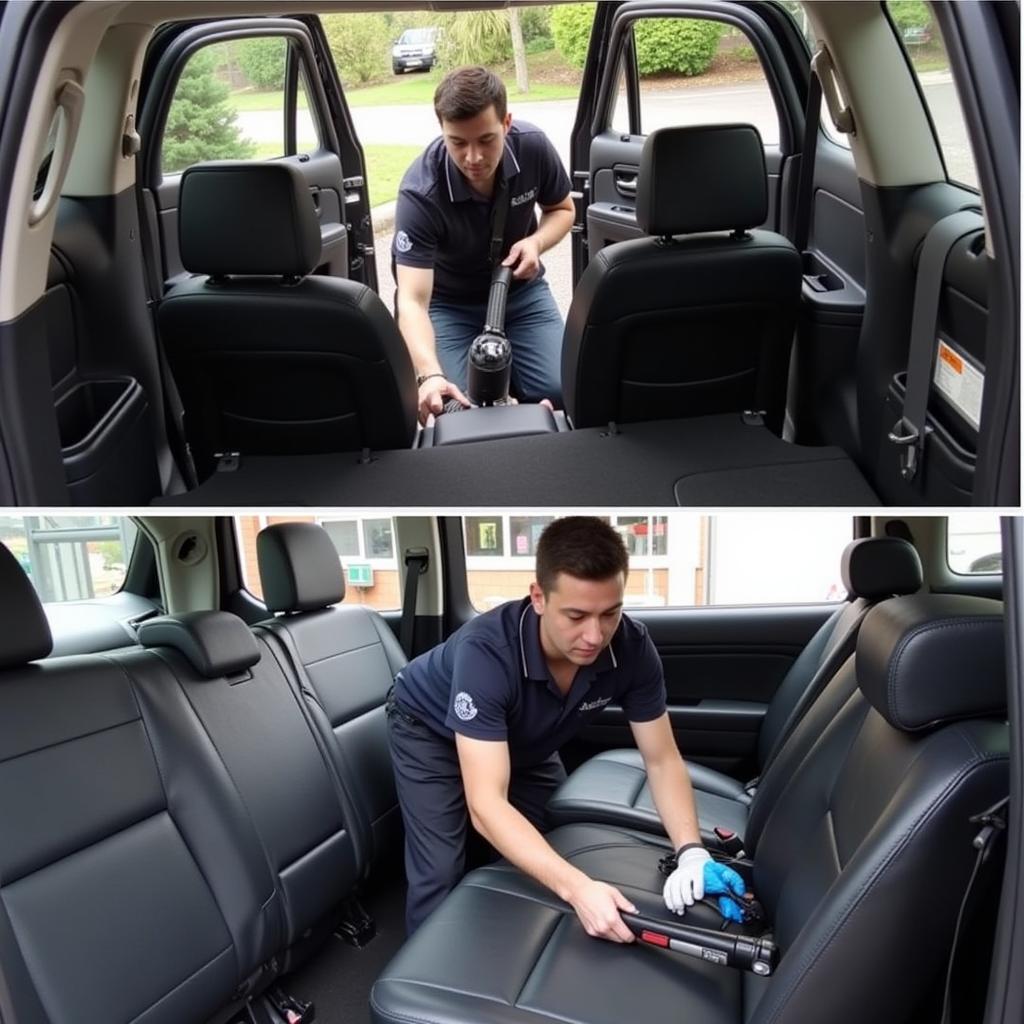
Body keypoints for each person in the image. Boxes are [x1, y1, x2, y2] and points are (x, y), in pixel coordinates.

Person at [386, 516, 746, 936]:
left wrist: (692, 853)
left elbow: (663, 760)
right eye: (576, 616)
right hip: (430, 731)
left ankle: (513, 932)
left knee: (560, 836)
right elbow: (487, 806)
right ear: (538, 597)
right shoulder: (487, 652)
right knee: (441, 868)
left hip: (518, 738)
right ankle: (429, 979)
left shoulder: (631, 647)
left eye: (610, 613)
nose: (594, 636)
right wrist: (578, 890)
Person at [391, 66, 575, 423]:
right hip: (448, 307)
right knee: (458, 410)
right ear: (442, 130)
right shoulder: (419, 192)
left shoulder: (533, 147)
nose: (473, 158)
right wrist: (429, 375)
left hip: (521, 294)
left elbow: (563, 209)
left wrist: (536, 243)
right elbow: (412, 301)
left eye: (486, 140)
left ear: (507, 123)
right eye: (457, 142)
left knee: (565, 388)